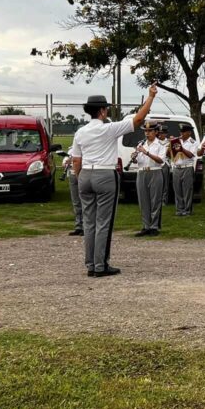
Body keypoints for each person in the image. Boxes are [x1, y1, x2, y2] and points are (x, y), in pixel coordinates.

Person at [72, 84, 157, 277]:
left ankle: (91, 264)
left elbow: (76, 160)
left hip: (85, 174)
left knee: (89, 222)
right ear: (102, 111)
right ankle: (101, 264)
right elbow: (138, 119)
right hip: (104, 174)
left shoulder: (80, 132)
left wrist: (81, 178)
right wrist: (150, 97)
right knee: (103, 222)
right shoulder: (109, 129)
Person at [133, 121, 166, 237]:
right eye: (145, 131)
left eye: (150, 131)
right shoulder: (141, 144)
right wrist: (134, 158)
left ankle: (154, 226)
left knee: (155, 200)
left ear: (156, 132)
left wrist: (146, 152)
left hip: (155, 171)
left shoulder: (160, 145)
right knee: (143, 200)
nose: (147, 133)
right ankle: (146, 226)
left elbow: (161, 160)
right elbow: (139, 161)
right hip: (142, 172)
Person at [171, 123, 198, 216]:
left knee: (187, 190)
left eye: (183, 132)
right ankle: (179, 209)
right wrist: (171, 144)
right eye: (181, 131)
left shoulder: (193, 142)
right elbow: (170, 155)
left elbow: (191, 155)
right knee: (177, 190)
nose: (181, 133)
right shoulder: (176, 141)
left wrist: (181, 148)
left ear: (189, 133)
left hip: (187, 167)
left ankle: (187, 210)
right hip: (176, 167)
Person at [62, 146, 83, 236]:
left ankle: (86, 227)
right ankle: (78, 226)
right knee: (76, 202)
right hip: (72, 174)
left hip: (83, 173)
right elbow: (65, 160)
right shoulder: (72, 148)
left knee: (85, 202)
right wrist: (66, 162)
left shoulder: (88, 147)